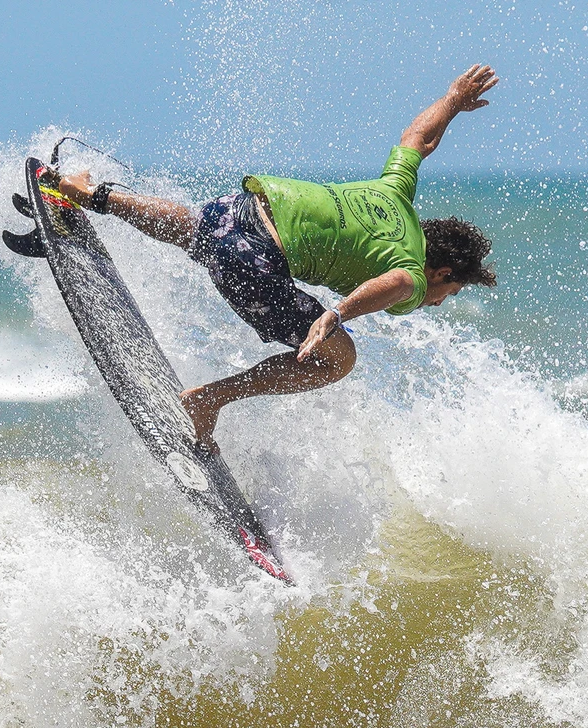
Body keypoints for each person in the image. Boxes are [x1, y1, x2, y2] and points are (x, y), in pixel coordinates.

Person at [51, 64, 499, 449]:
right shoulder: (414, 279)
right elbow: (399, 284)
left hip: (240, 207)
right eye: (449, 291)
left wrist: (453, 99)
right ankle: (209, 399)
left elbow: (418, 138)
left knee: (192, 227)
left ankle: (89, 192)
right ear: (440, 272)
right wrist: (336, 315)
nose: (438, 301)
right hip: (254, 262)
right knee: (339, 361)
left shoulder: (395, 190)